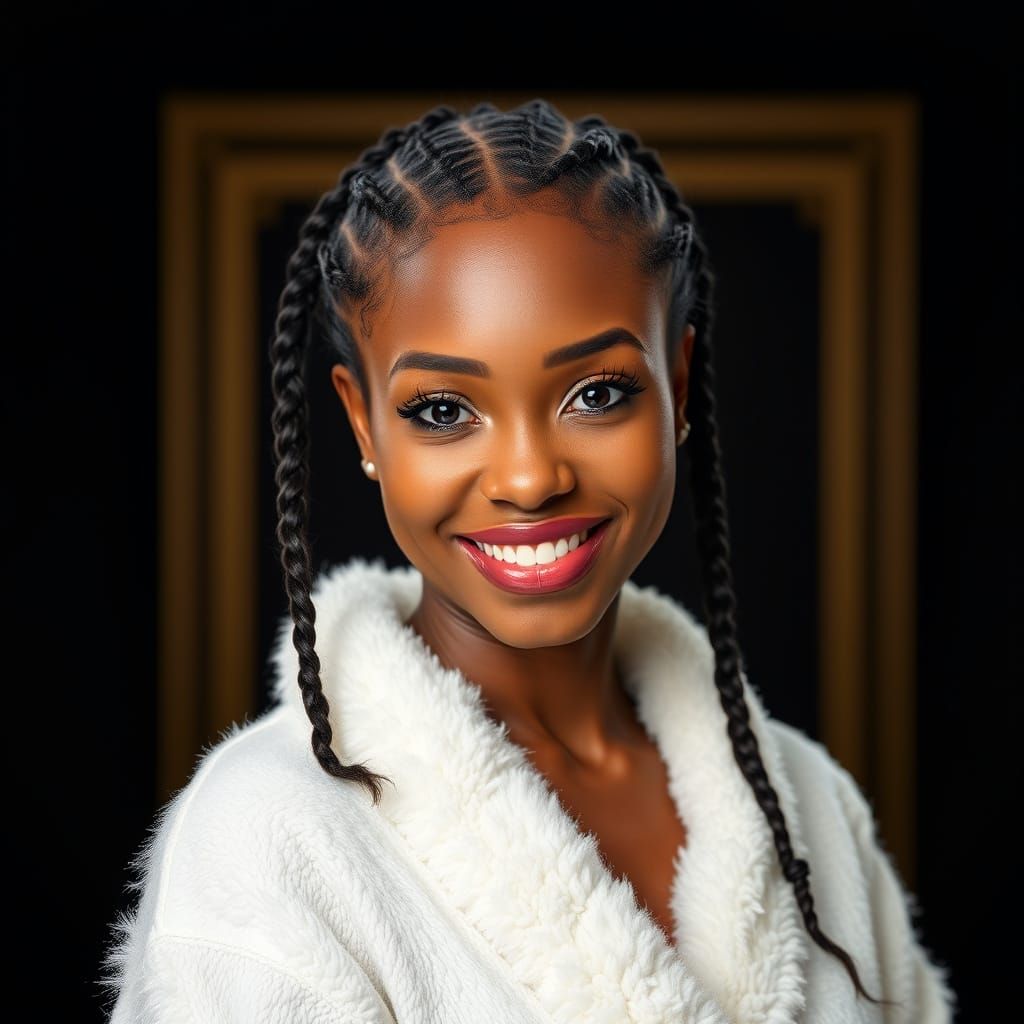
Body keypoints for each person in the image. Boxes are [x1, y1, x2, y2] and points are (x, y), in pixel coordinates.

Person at [99, 99, 956, 1023]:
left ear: (677, 388)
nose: (528, 477)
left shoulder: (813, 808)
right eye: (442, 410)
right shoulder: (268, 843)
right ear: (364, 423)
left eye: (596, 392)